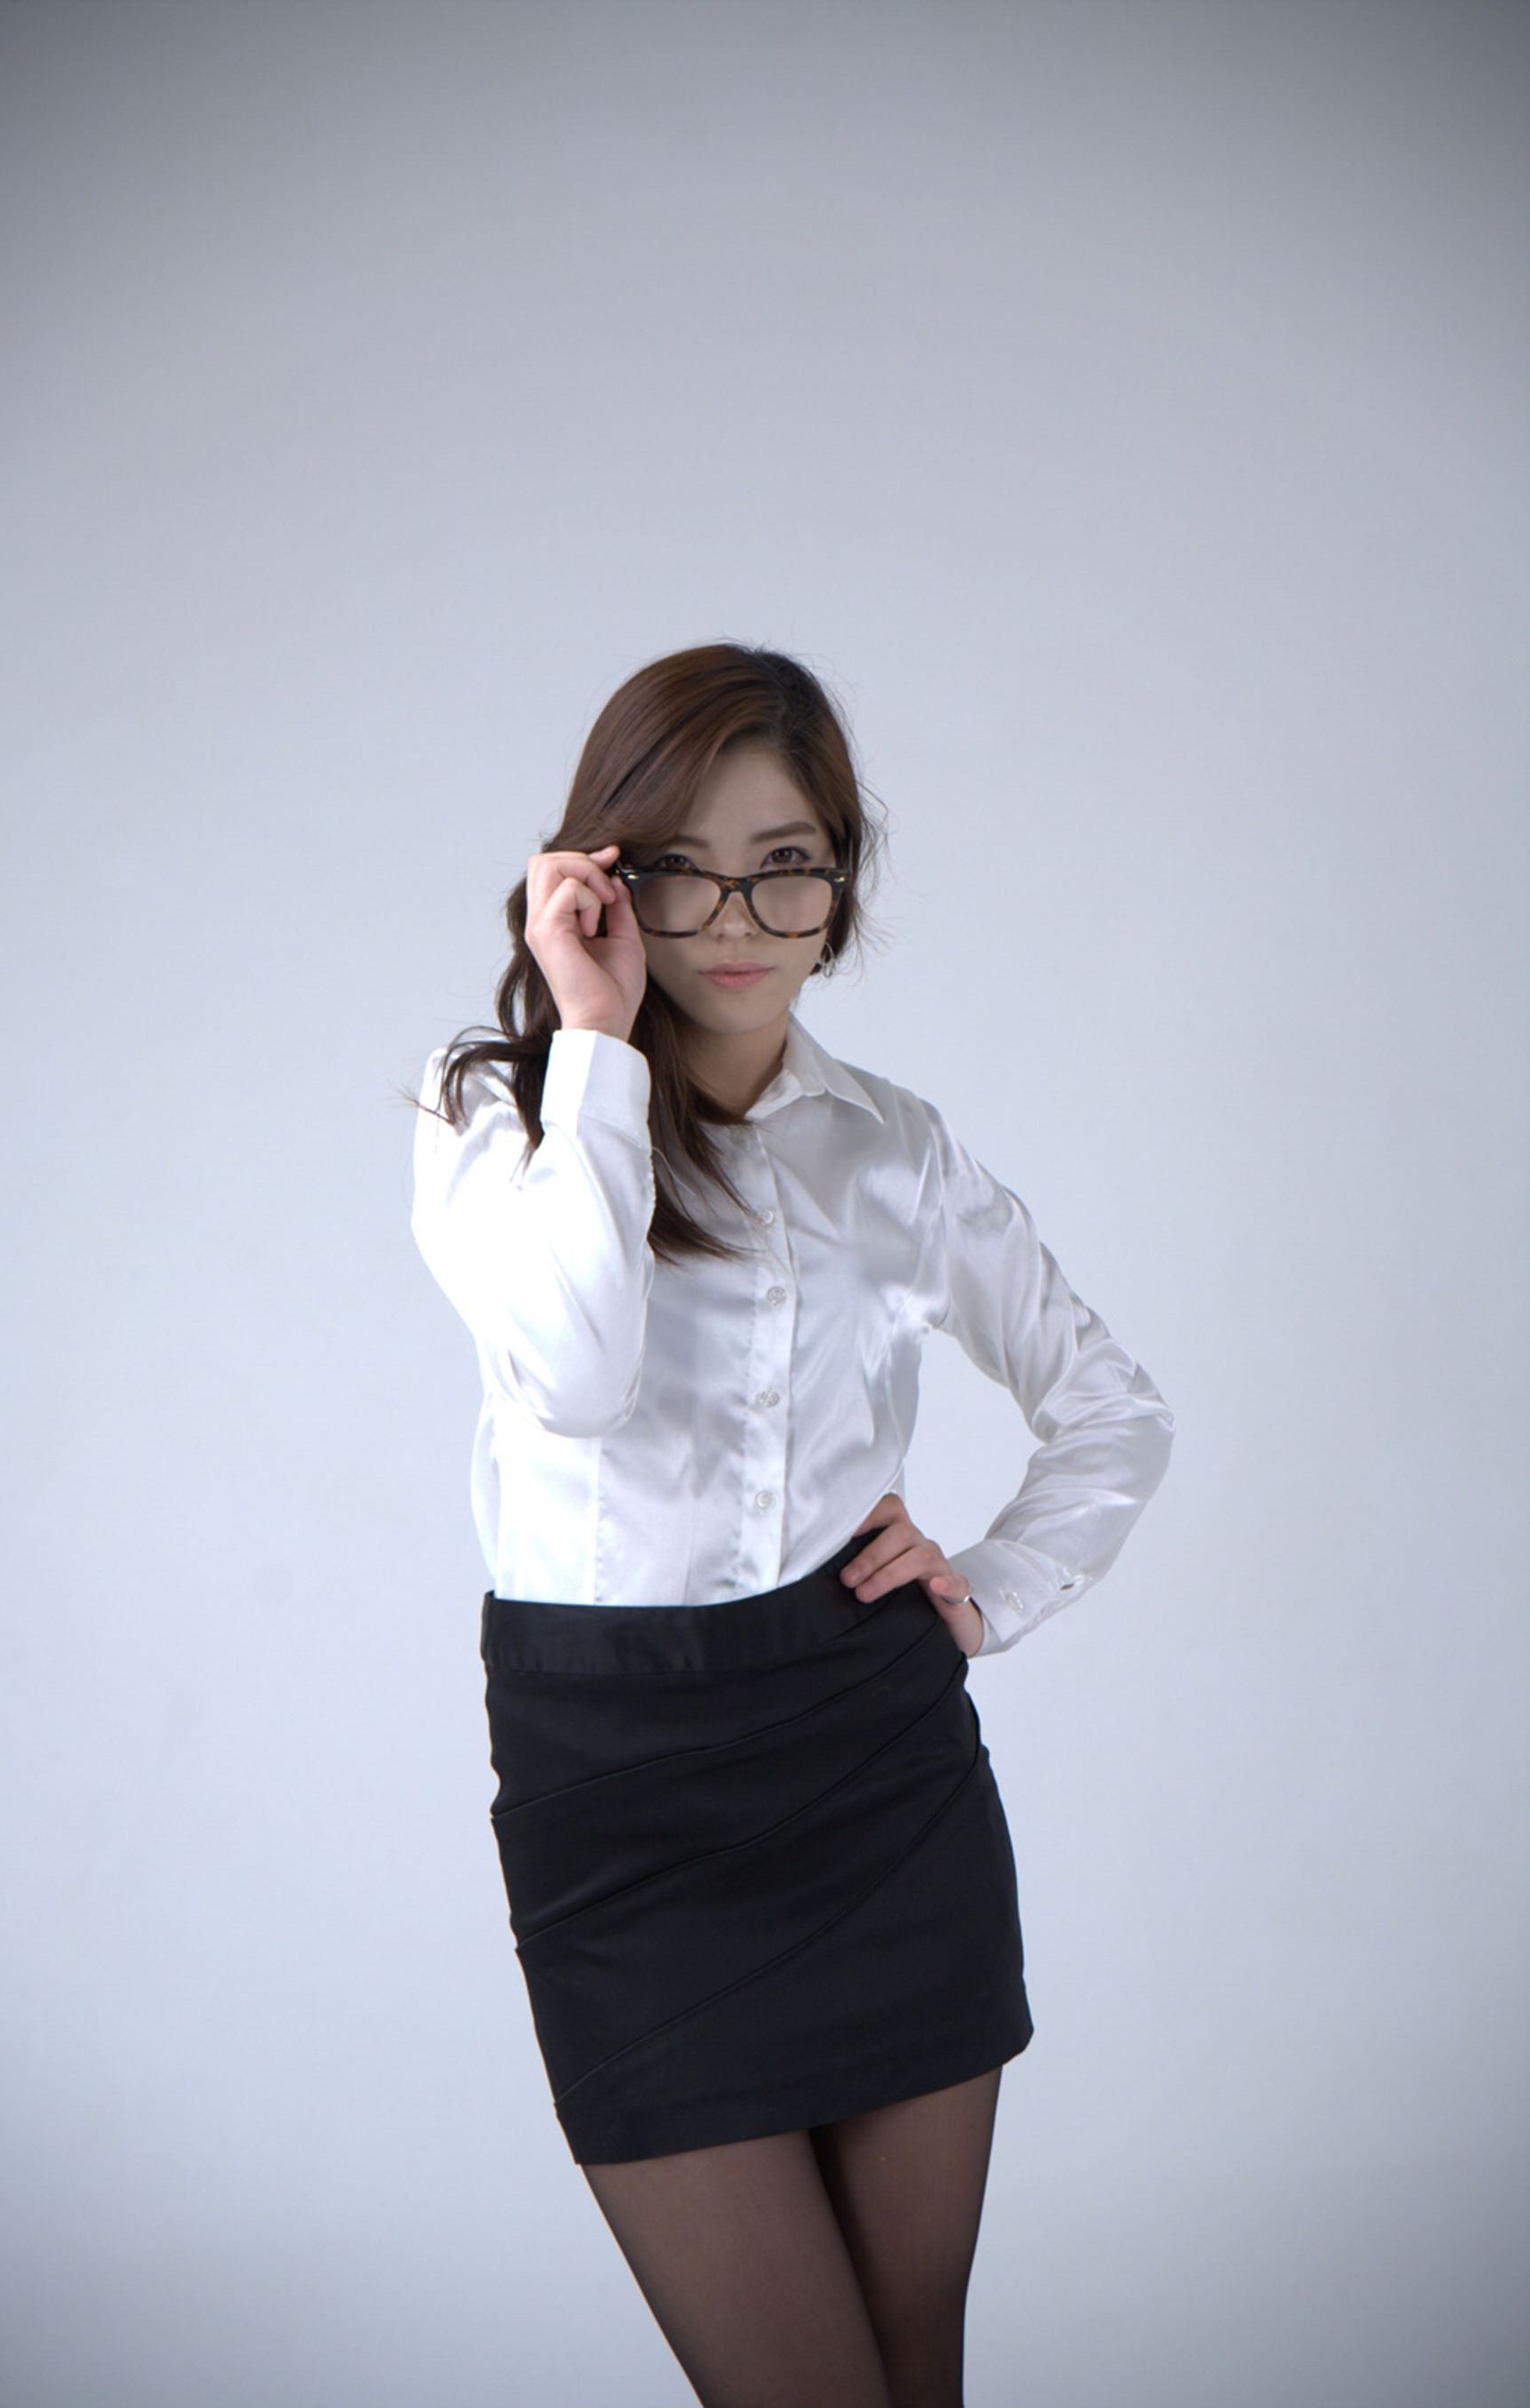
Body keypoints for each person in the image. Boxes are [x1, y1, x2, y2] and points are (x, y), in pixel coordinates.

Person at [407, 642, 1174, 2408]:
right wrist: (594, 1041)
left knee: (912, 2373)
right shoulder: (497, 1102)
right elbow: (575, 1377)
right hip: (619, 1801)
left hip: (873, 1772)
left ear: (842, 882)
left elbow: (1112, 1409)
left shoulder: (893, 1150)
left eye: (785, 865)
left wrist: (988, 1584)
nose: (736, 918)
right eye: (680, 868)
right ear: (600, 879)